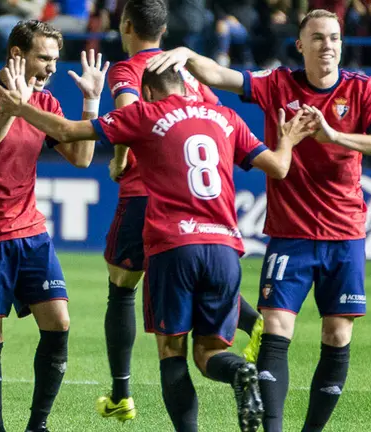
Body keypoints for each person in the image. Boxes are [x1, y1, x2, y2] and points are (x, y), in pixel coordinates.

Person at [0, 62, 316, 432]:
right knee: (209, 353)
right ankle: (239, 370)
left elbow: (66, 130)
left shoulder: (145, 114)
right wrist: (288, 140)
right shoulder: (226, 117)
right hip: (225, 247)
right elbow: (279, 167)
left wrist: (21, 107)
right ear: (187, 87)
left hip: (174, 246)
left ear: (147, 92)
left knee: (171, 352)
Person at [146, 8, 371, 432]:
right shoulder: (278, 83)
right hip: (290, 234)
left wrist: (333, 135)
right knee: (275, 330)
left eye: (334, 37)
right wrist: (186, 54)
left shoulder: (362, 88)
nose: (328, 45)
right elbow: (219, 75)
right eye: (318, 38)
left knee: (337, 335)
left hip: (345, 233)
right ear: (300, 45)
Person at [98, 0, 264, 421]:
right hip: (200, 198)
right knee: (201, 273)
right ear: (165, 29)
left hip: (146, 193)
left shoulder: (128, 69)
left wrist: (119, 161)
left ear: (126, 25)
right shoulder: (184, 70)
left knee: (122, 285)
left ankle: (121, 394)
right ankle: (252, 321)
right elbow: (210, 116)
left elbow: (129, 116)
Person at [0, 19, 108, 432]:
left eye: (56, 59)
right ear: (17, 54)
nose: (52, 67)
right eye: (44, 58)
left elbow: (82, 158)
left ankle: (37, 425)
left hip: (30, 231)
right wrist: (11, 110)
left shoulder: (46, 103)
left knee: (59, 322)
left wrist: (91, 100)